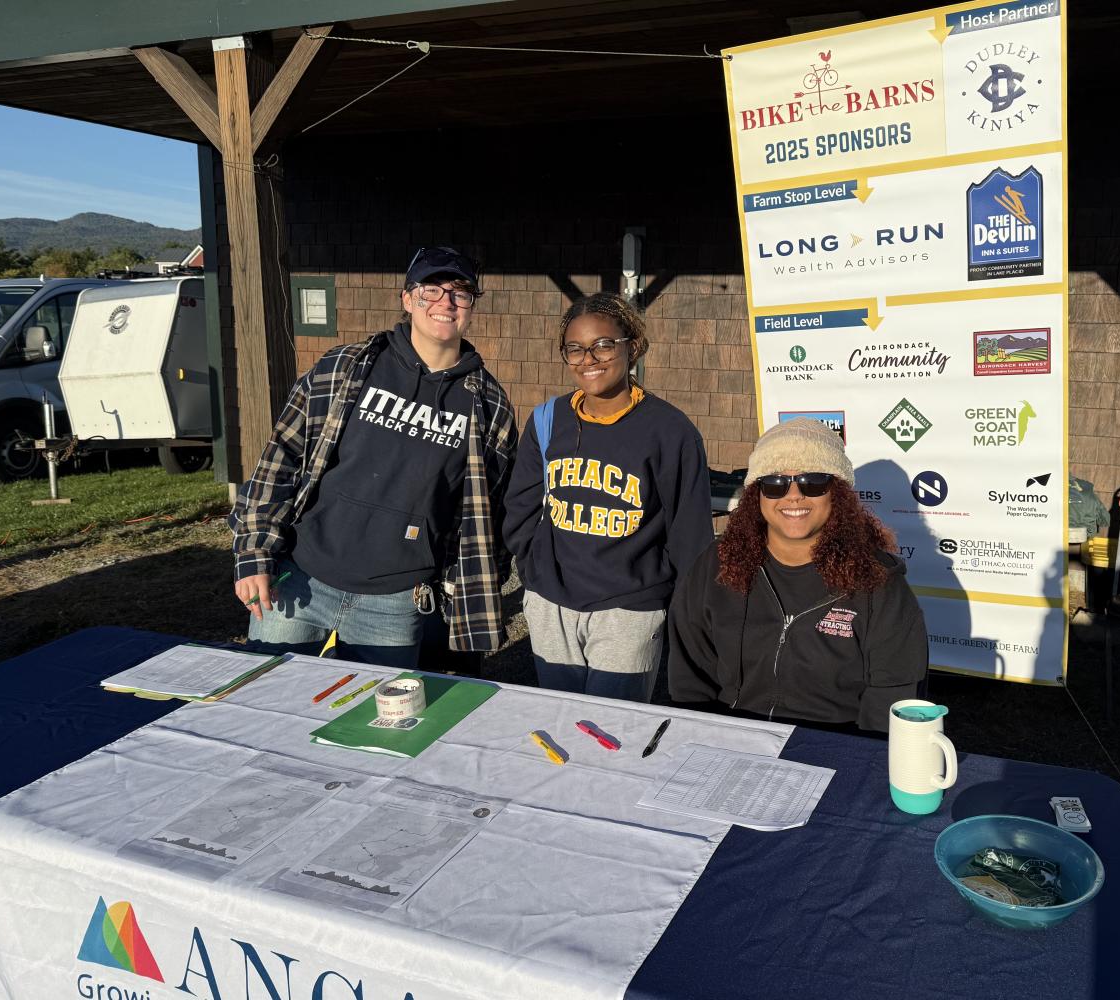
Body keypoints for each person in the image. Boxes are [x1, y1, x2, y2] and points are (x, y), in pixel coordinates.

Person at [230, 246, 517, 668]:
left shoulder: (488, 405)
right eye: (431, 290)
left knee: (376, 709)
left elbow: (491, 512)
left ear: (471, 306)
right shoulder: (344, 368)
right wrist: (255, 553)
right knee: (265, 697)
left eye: (460, 293)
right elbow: (279, 460)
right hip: (300, 582)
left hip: (395, 602)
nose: (445, 303)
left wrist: (465, 588)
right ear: (407, 299)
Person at [503, 292, 711, 700]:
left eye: (603, 345)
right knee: (559, 716)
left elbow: (690, 535)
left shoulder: (670, 431)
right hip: (551, 604)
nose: (589, 359)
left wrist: (668, 603)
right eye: (575, 349)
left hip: (628, 610)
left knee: (612, 726)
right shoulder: (547, 420)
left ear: (633, 346)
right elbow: (520, 508)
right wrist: (535, 572)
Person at [667, 418, 928, 732]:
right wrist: (699, 735)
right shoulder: (718, 564)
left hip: (836, 745)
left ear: (837, 493)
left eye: (812, 481)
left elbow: (892, 694)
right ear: (757, 494)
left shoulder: (876, 581)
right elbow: (690, 673)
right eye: (775, 482)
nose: (793, 495)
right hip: (732, 738)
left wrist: (859, 754)